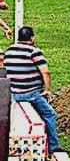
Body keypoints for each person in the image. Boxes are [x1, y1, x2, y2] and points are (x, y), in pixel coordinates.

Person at [0, 26, 62, 154]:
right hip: (31, 93)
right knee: (49, 115)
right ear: (32, 38)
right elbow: (46, 72)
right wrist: (47, 90)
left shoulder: (9, 51)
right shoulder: (34, 52)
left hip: (12, 93)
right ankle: (54, 147)